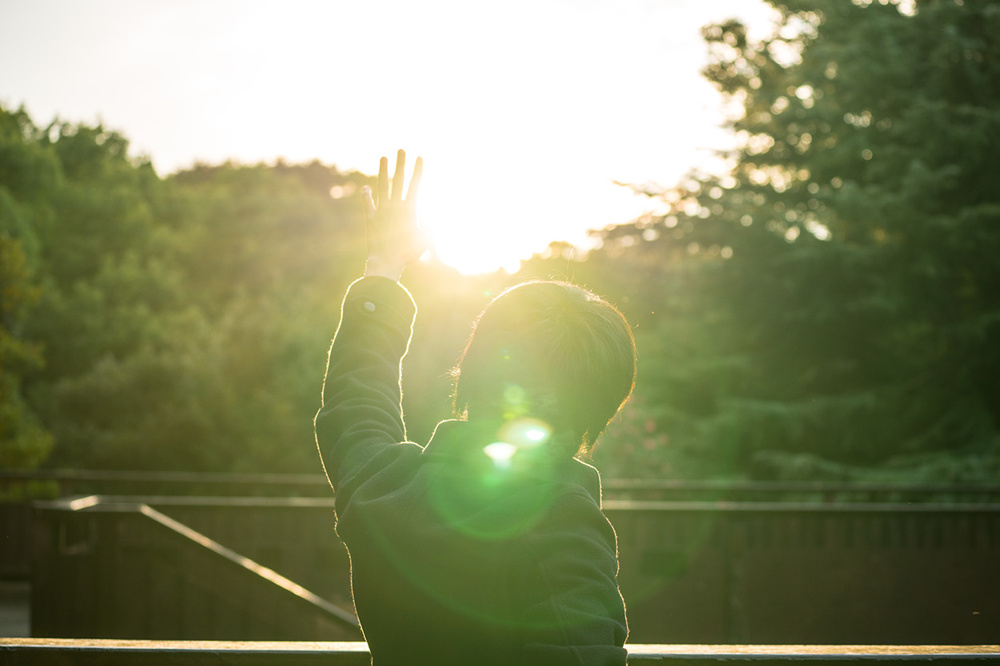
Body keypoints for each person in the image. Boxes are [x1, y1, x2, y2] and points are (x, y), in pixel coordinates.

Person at [314, 150, 636, 666]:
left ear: (472, 371)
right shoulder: (563, 526)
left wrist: (383, 269)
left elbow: (356, 400)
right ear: (602, 403)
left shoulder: (383, 486)